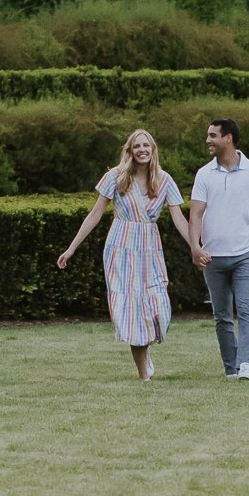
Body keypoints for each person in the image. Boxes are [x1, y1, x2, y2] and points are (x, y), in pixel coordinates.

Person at [57, 128, 197, 381]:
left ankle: (147, 347)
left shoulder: (165, 180)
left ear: (153, 150)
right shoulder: (115, 177)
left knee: (158, 305)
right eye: (137, 146)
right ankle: (144, 375)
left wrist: (196, 247)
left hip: (149, 248)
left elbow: (179, 219)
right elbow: (95, 214)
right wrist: (71, 247)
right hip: (120, 247)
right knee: (131, 311)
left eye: (147, 145)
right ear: (130, 151)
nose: (142, 150)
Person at [190, 118, 249, 381]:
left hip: (246, 254)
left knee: (246, 309)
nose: (208, 140)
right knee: (222, 316)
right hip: (213, 258)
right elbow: (196, 214)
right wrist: (195, 247)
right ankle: (231, 369)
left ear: (228, 138)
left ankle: (247, 364)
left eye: (213, 135)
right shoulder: (204, 174)